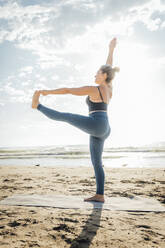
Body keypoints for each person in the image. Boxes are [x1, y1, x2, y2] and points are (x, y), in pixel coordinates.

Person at [31, 38, 120, 203]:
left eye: (97, 72)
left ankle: (38, 106)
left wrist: (46, 91)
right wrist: (111, 49)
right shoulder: (108, 88)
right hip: (104, 127)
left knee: (66, 116)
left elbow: (68, 90)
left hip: (96, 124)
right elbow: (109, 67)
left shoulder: (94, 89)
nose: (94, 74)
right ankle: (100, 195)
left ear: (104, 76)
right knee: (96, 162)